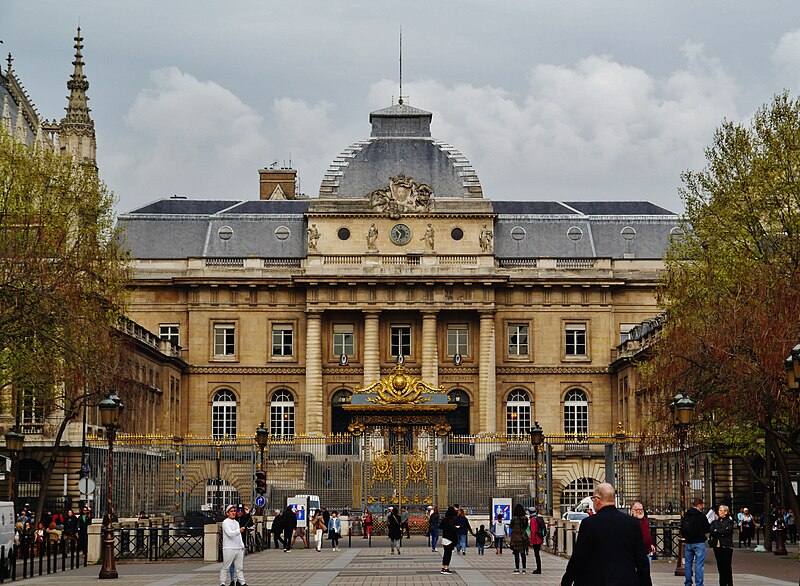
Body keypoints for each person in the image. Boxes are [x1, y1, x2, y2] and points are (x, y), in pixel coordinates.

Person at [561, 482, 651, 586]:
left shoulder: (589, 524)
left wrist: (566, 581)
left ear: (597, 499)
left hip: (596, 580)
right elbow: (641, 560)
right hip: (626, 580)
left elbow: (579, 557)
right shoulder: (632, 523)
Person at [681, 497, 710, 586]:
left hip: (688, 542)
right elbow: (707, 528)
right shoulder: (701, 516)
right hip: (699, 541)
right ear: (699, 505)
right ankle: (699, 583)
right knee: (699, 564)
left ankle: (688, 582)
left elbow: (682, 528)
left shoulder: (686, 515)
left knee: (688, 564)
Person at [219, 505, 247, 586]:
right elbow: (230, 533)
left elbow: (239, 537)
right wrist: (239, 530)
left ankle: (242, 582)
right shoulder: (225, 522)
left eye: (235, 511)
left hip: (238, 548)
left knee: (239, 568)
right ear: (227, 513)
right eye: (231, 511)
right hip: (229, 548)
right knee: (226, 567)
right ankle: (222, 583)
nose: (234, 513)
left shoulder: (236, 522)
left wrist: (242, 545)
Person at [709, 504, 734, 586]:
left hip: (726, 545)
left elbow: (728, 531)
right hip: (717, 545)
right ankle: (722, 583)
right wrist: (720, 531)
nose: (719, 512)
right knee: (720, 566)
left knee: (727, 566)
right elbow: (712, 532)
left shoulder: (729, 521)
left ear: (725, 512)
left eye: (721, 510)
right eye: (719, 510)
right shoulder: (715, 522)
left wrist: (718, 531)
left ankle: (729, 583)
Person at [631, 502, 655, 566]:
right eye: (637, 510)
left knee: (646, 573)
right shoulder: (630, 521)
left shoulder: (645, 520)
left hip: (647, 551)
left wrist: (651, 544)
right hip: (636, 553)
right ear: (632, 511)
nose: (639, 511)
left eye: (641, 509)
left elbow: (647, 533)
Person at [509, 504, 529, 574]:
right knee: (523, 554)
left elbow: (511, 527)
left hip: (515, 537)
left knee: (516, 553)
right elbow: (526, 527)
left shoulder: (514, 518)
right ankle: (524, 569)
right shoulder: (525, 518)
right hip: (523, 537)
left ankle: (517, 568)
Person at [439, 506, 458, 575]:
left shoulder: (445, 519)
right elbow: (453, 530)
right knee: (448, 554)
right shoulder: (452, 520)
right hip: (450, 538)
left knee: (445, 554)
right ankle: (446, 568)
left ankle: (443, 567)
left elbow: (440, 526)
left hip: (444, 538)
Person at [529, 507, 545, 574]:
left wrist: (531, 541)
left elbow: (533, 531)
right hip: (540, 538)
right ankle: (539, 568)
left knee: (536, 554)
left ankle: (538, 569)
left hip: (536, 539)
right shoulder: (539, 518)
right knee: (537, 553)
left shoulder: (533, 520)